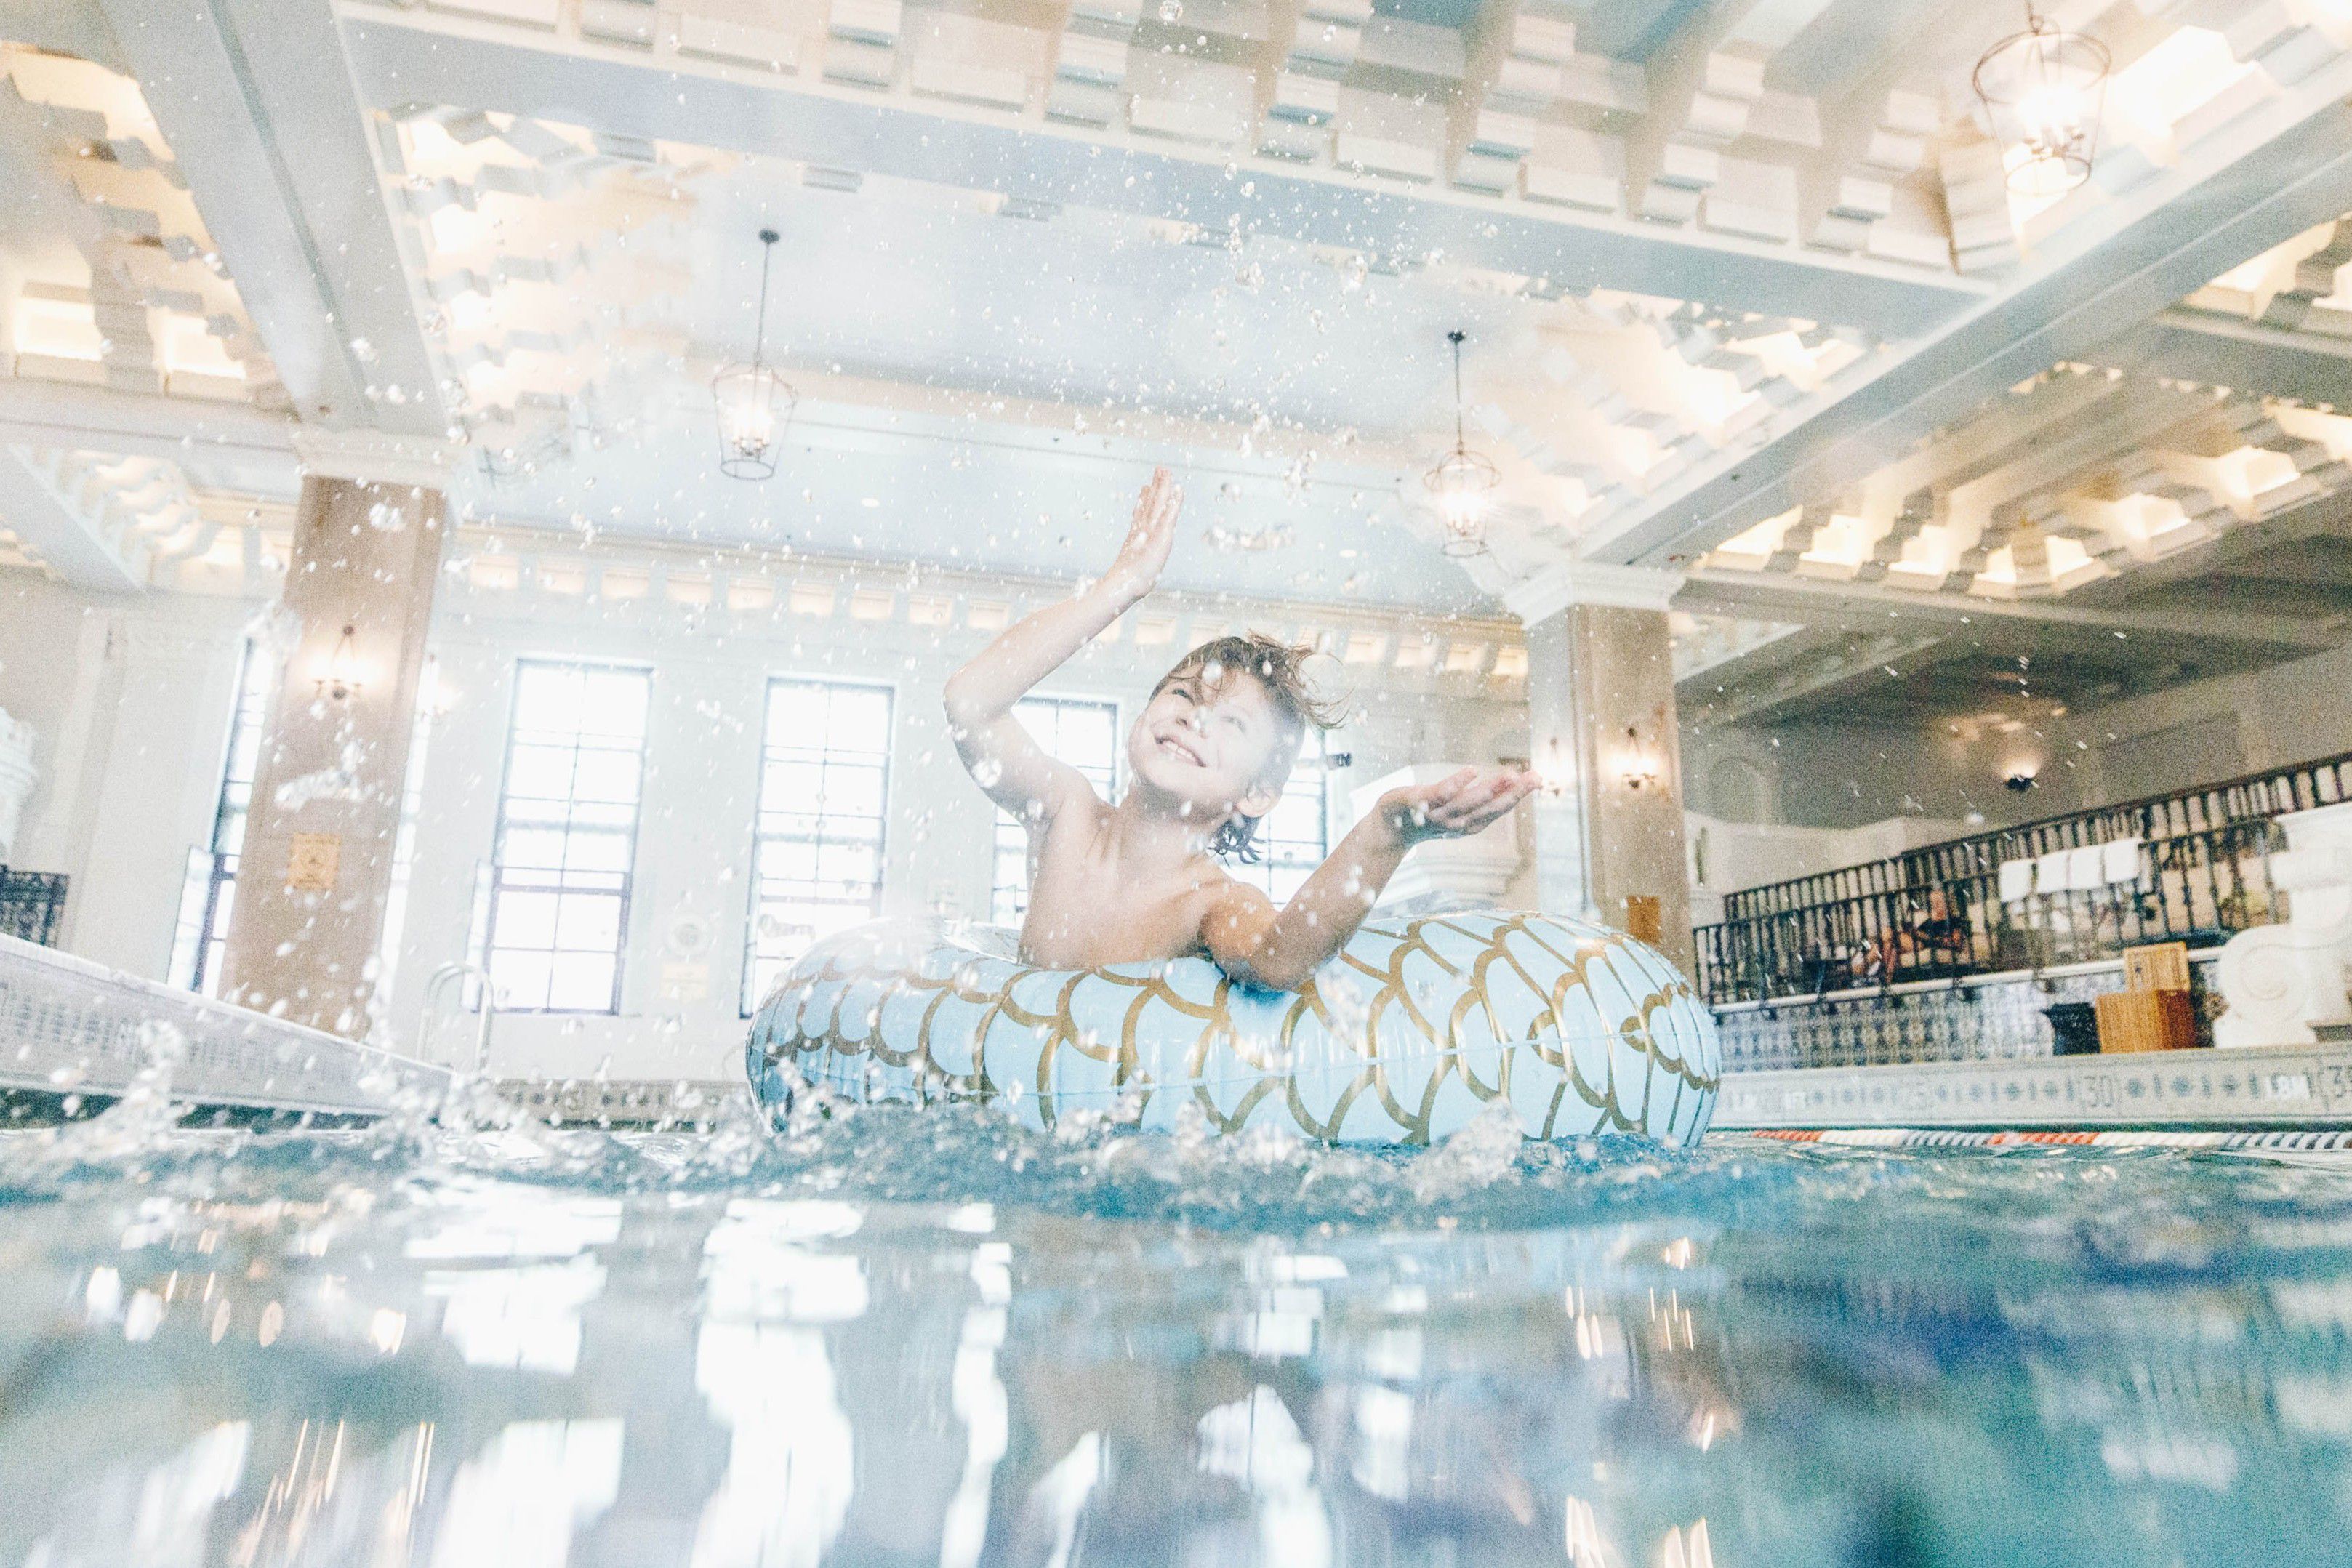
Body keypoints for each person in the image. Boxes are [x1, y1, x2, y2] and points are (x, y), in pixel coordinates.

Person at [943, 467, 1536, 991]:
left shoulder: (1211, 903)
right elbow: (970, 703)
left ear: (1257, 794)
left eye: (1229, 720)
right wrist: (1119, 585)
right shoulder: (1064, 814)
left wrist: (1386, 831)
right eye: (1181, 692)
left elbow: (1277, 961)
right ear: (1140, 721)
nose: (1192, 716)